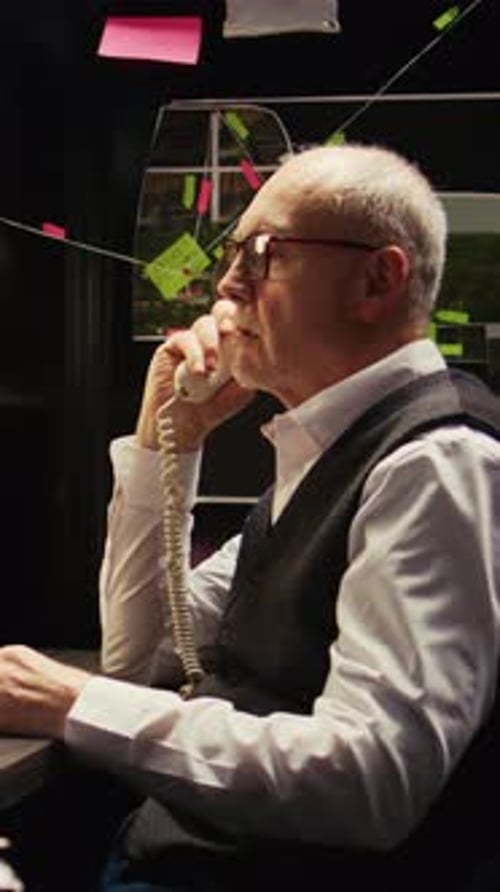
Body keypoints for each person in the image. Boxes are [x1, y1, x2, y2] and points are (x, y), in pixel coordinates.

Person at [0, 143, 499, 891]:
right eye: (231, 254)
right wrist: (164, 444)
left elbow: (371, 781)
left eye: (264, 254)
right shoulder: (326, 459)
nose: (227, 285)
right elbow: (140, 655)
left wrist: (73, 702)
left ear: (377, 279)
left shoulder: (434, 464)